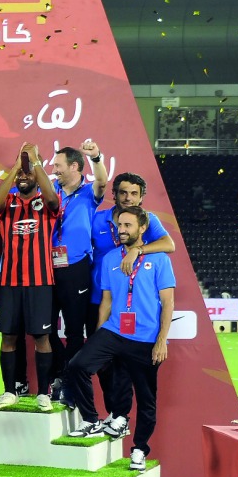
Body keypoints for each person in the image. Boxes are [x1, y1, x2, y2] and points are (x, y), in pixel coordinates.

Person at [66, 206, 174, 472]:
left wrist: (161, 340)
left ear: (142, 228)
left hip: (146, 338)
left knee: (146, 399)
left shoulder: (159, 259)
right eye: (119, 225)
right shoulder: (110, 258)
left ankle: (139, 449)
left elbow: (168, 302)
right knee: (78, 365)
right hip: (114, 331)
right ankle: (92, 419)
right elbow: (106, 300)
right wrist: (97, 335)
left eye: (128, 225)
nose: (122, 230)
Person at [87, 172, 175, 433]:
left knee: (126, 368)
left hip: (131, 308)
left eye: (134, 193)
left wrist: (138, 249)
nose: (128, 198)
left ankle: (121, 418)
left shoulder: (148, 220)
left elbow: (169, 244)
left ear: (141, 197)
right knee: (105, 366)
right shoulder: (98, 218)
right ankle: (116, 413)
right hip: (101, 298)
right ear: (114, 194)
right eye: (123, 192)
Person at [0, 145, 61, 411]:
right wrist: (15, 169)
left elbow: (53, 200)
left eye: (28, 172)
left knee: (41, 338)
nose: (24, 176)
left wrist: (35, 163)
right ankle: (10, 391)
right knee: (8, 337)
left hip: (40, 282)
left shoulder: (46, 202)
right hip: (9, 282)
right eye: (21, 173)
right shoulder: (8, 203)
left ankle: (43, 392)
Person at [46, 141, 107, 400]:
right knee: (45, 329)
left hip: (76, 268)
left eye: (58, 165)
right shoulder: (50, 191)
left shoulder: (89, 192)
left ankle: (69, 385)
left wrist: (97, 157)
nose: (54, 170)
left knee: (74, 331)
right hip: (46, 268)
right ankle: (60, 373)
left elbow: (102, 181)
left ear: (74, 166)